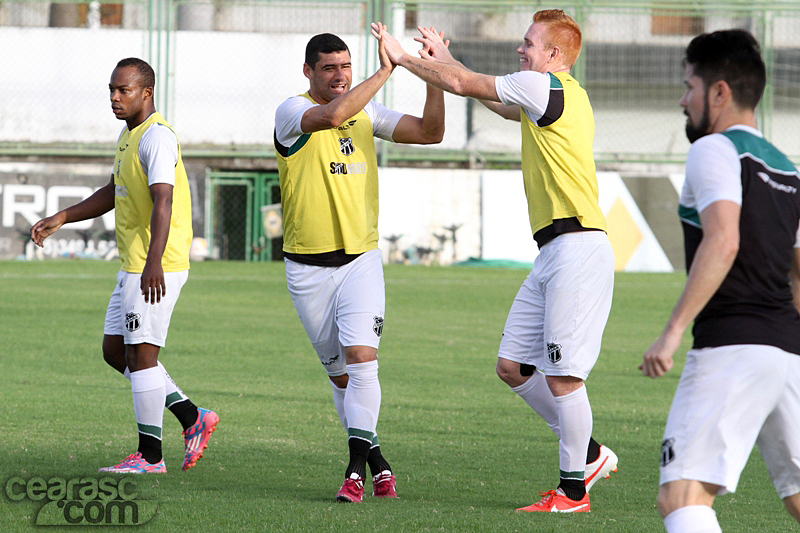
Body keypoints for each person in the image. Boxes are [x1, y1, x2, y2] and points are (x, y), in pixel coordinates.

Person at [372, 10, 618, 513]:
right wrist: (444, 59)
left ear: (553, 55)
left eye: (529, 43)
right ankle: (590, 453)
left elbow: (465, 85)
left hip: (577, 247)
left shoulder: (544, 86)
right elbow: (486, 94)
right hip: (554, 251)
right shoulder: (550, 94)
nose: (520, 50)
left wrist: (404, 60)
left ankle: (573, 492)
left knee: (564, 376)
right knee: (513, 366)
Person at [640, 29, 800, 532]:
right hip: (787, 352)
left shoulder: (713, 149)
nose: (682, 100)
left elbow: (723, 239)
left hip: (731, 345)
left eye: (689, 86)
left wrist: (672, 331)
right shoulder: (789, 170)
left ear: (719, 92)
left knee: (682, 495)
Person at [274, 33, 444, 503]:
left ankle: (354, 473)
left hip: (361, 261)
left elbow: (431, 133)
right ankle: (378, 461)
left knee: (362, 361)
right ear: (308, 71)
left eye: (346, 65)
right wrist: (388, 68)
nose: (340, 75)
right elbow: (331, 117)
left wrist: (431, 77)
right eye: (329, 67)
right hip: (307, 269)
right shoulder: (290, 111)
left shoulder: (368, 112)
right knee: (341, 378)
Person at [31, 58, 218, 474]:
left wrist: (154, 262)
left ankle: (150, 457)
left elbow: (164, 201)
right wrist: (64, 217)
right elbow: (114, 189)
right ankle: (192, 416)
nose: (115, 97)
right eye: (112, 90)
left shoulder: (157, 137)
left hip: (154, 264)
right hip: (135, 262)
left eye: (124, 90)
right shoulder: (129, 134)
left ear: (146, 93)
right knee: (116, 352)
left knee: (143, 355)